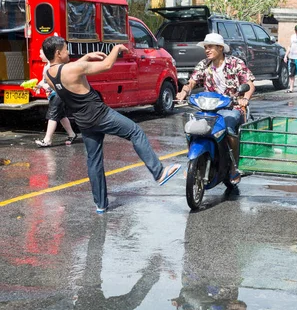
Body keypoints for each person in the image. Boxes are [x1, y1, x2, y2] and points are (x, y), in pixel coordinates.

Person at [42, 36, 181, 214]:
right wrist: (116, 49)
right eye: (66, 49)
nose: (68, 52)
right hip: (100, 114)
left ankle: (100, 204)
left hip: (84, 120)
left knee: (94, 160)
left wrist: (87, 57)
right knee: (135, 132)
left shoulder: (48, 74)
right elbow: (107, 65)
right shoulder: (74, 68)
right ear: (58, 53)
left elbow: (69, 70)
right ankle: (159, 172)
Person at [176, 33, 255, 184]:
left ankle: (233, 166)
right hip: (208, 108)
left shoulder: (235, 63)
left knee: (229, 129)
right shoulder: (204, 64)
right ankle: (192, 161)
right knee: (191, 128)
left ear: (220, 48)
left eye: (210, 47)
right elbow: (192, 82)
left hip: (232, 107)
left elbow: (249, 84)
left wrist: (245, 98)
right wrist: (183, 92)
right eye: (205, 47)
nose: (207, 50)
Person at [34, 48, 78, 147]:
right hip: (53, 94)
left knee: (52, 114)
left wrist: (45, 86)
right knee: (61, 115)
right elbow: (44, 80)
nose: (39, 56)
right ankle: (72, 134)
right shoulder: (46, 66)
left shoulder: (53, 66)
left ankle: (47, 140)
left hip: (58, 93)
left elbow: (56, 81)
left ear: (48, 54)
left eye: (41, 54)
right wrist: (39, 86)